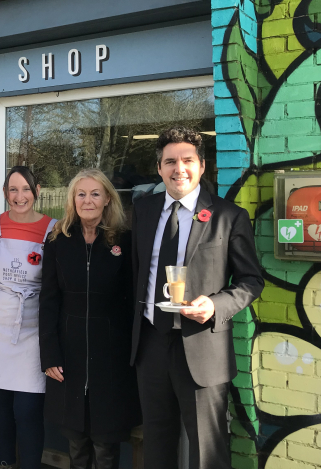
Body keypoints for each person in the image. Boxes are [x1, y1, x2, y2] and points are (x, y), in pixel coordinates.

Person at [130, 127, 263, 469]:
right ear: (159, 168)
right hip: (150, 343)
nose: (179, 169)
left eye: (187, 160)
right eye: (170, 161)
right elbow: (136, 272)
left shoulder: (228, 216)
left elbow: (251, 281)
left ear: (202, 166)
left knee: (207, 451)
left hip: (202, 348)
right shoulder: (143, 212)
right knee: (156, 443)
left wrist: (216, 305)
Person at [40, 169, 140, 469]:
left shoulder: (125, 241)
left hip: (111, 354)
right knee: (77, 443)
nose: (88, 200)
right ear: (72, 199)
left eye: (95, 194)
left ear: (107, 198)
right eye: (81, 194)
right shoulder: (58, 240)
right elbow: (48, 301)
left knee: (106, 444)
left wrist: (133, 353)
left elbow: (132, 301)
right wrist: (49, 354)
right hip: (68, 354)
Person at [0, 166, 57, 469]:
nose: (19, 196)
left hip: (34, 325)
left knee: (28, 408)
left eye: (25, 189)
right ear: (5, 193)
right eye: (13, 189)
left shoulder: (54, 228)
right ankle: (5, 463)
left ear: (36, 191)